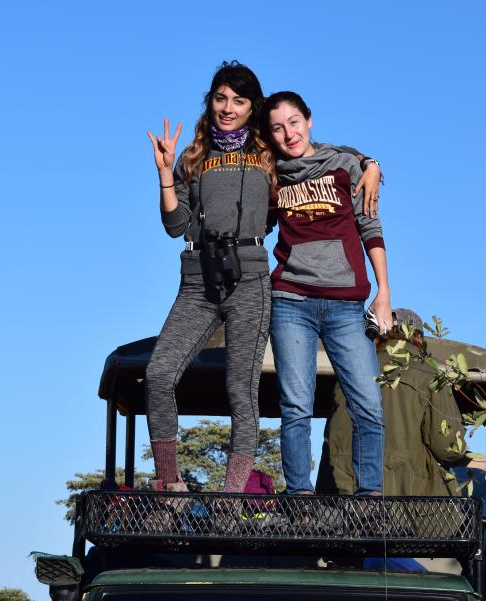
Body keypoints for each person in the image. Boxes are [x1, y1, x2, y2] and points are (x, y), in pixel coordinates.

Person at [144, 65, 380, 492]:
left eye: (238, 100)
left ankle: (232, 497)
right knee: (159, 373)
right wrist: (164, 175)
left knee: (241, 388)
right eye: (220, 98)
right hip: (198, 278)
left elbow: (322, 149)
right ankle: (168, 483)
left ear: (252, 107)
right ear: (210, 101)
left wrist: (370, 162)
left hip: (251, 278)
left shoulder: (268, 152)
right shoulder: (194, 156)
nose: (228, 108)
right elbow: (175, 225)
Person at [259, 91, 391, 496]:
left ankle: (369, 498)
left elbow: (370, 227)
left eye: (294, 122)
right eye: (278, 127)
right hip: (290, 301)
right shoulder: (270, 174)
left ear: (309, 121)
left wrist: (383, 292)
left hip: (346, 305)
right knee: (296, 406)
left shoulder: (344, 164)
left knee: (367, 404)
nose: (288, 133)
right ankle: (300, 496)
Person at [316, 308, 468, 496]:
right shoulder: (429, 374)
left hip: (336, 498)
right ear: (418, 337)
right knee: (485, 484)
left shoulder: (348, 370)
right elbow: (449, 448)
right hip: (406, 501)